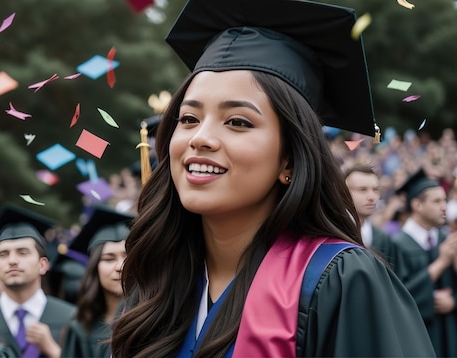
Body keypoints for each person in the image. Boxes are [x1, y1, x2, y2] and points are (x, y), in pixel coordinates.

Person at [111, 0, 435, 356]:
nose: (199, 137)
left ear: (291, 159)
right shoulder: (155, 283)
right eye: (188, 118)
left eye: (238, 121)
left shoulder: (339, 282)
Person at [0, 204, 76, 358]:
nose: (12, 261)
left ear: (43, 265)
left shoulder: (72, 318)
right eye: (3, 254)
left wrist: (55, 352)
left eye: (22, 253)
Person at [391, 168, 457, 357]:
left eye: (445, 200)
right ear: (417, 205)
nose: (444, 206)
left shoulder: (447, 240)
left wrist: (453, 301)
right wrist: (440, 264)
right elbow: (397, 299)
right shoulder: (396, 244)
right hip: (416, 339)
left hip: (449, 335)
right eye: (437, 201)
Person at [62, 207, 132, 358]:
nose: (120, 267)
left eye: (127, 257)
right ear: (94, 269)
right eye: (109, 259)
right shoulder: (79, 329)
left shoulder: (154, 321)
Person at [344, 164, 401, 268]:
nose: (372, 197)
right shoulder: (336, 235)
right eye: (362, 190)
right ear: (344, 193)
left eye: (375, 190)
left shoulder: (383, 239)